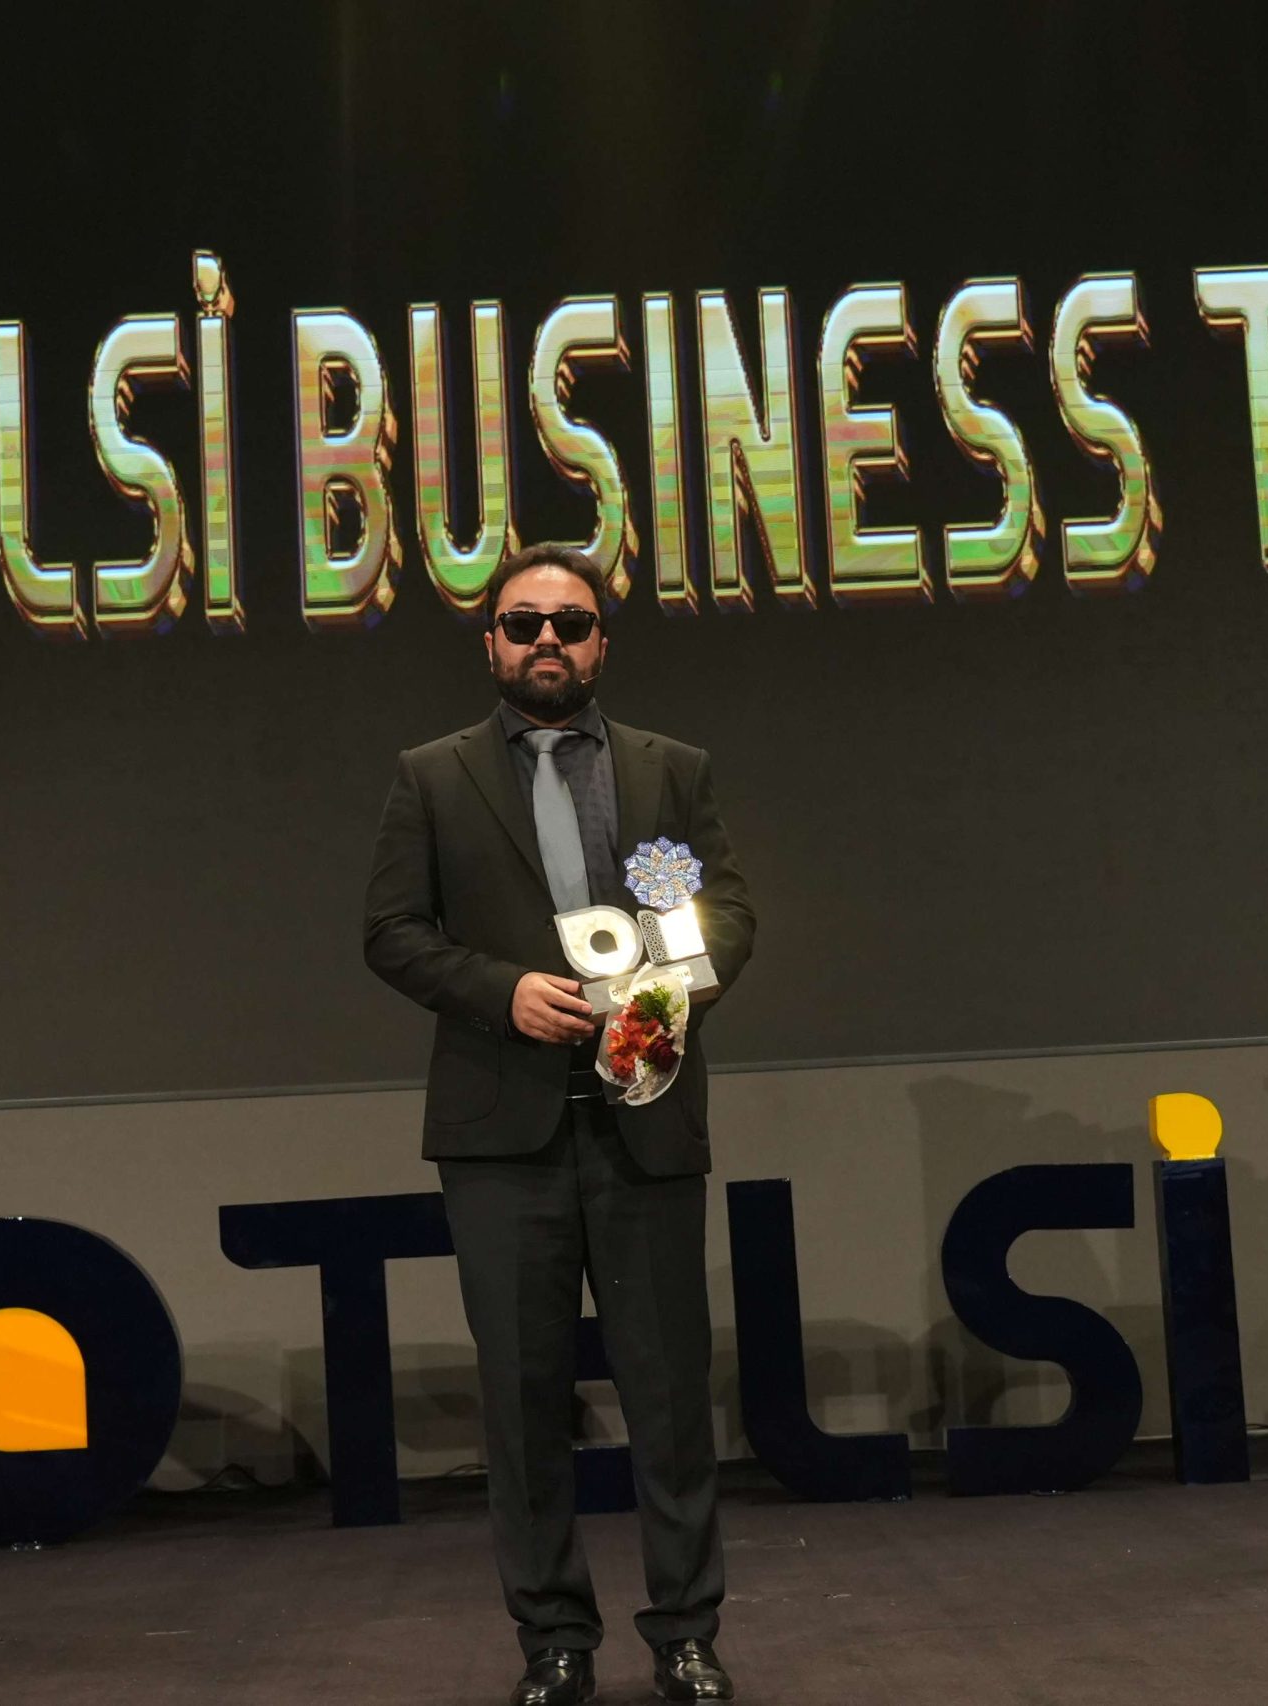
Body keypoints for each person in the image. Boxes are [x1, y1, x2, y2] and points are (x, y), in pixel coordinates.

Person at [363, 543, 756, 1705]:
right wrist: (502, 991)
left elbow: (725, 910)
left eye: (569, 624)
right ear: (489, 642)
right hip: (503, 1136)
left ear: (600, 643)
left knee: (668, 1395)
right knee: (525, 1399)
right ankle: (553, 1640)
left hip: (646, 1119)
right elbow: (392, 931)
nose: (547, 640)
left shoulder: (669, 769)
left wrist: (665, 996)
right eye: (524, 622)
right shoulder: (430, 776)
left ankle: (685, 1633)